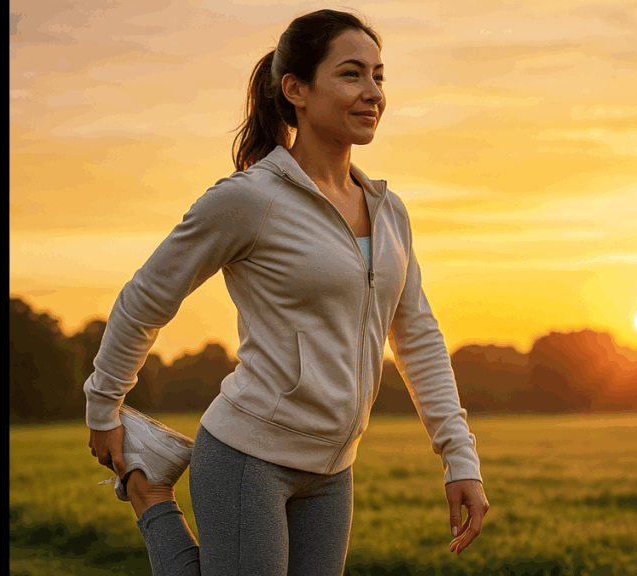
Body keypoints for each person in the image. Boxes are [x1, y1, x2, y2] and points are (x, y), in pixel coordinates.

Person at [85, 8, 490, 576]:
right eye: (351, 74)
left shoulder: (389, 212)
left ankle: (150, 485)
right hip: (248, 457)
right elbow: (147, 296)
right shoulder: (250, 200)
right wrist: (104, 404)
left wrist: (460, 459)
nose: (372, 92)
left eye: (379, 76)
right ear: (295, 89)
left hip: (333, 471)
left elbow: (417, 335)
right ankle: (152, 496)